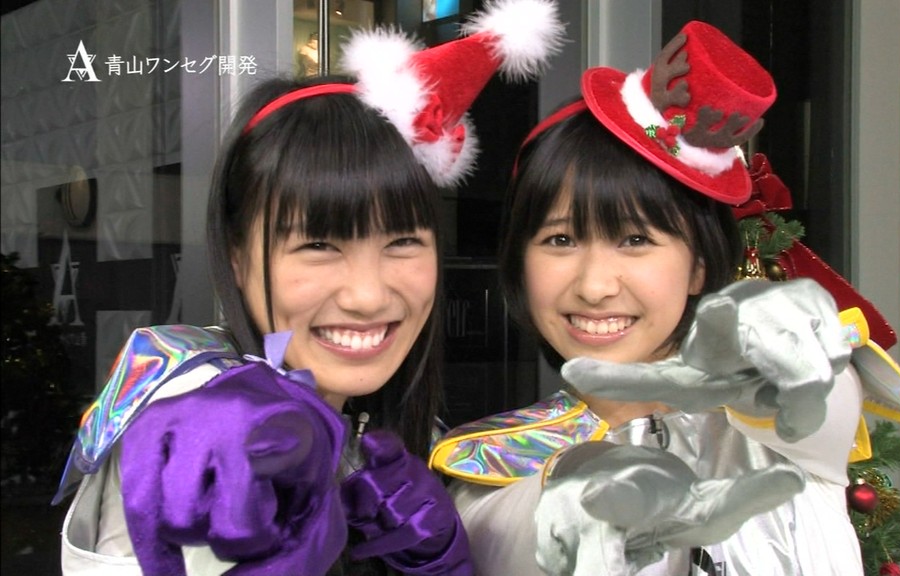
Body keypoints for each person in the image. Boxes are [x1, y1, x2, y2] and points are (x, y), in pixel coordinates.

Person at [52, 1, 566, 574]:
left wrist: (442, 563)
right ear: (237, 258)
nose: (368, 296)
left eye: (403, 241)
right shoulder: (203, 411)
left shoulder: (403, 440)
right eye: (318, 244)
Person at [429, 20, 900, 576]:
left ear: (699, 265)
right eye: (560, 240)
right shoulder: (486, 470)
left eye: (636, 240)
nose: (595, 286)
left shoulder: (778, 431)